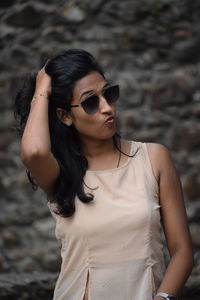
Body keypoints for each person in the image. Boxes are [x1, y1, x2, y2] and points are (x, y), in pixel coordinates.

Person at [14, 49, 193, 300]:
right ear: (65, 116)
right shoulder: (61, 173)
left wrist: (163, 298)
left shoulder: (153, 158)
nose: (107, 107)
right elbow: (33, 151)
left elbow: (182, 249)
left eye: (109, 94)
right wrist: (42, 87)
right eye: (90, 102)